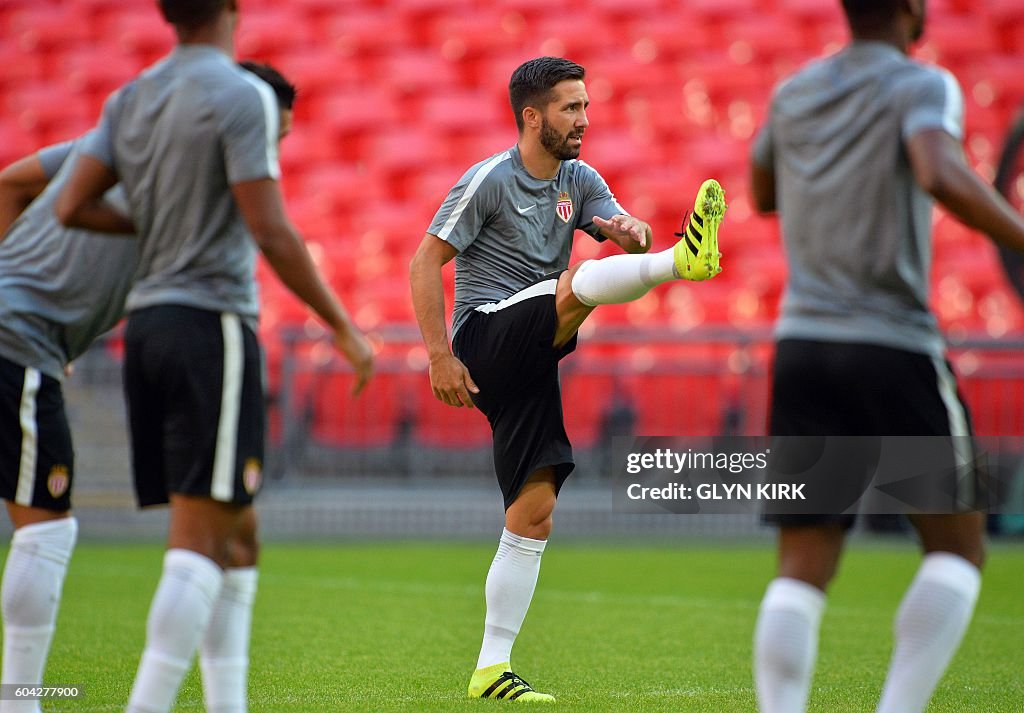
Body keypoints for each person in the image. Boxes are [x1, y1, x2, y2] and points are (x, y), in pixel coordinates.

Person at [55, 2, 374, 709]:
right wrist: (344, 328)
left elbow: (71, 204)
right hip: (212, 326)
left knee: (239, 533)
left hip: (147, 327)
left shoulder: (131, 95)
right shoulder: (242, 94)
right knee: (199, 538)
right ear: (232, 10)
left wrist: (157, 221)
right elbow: (272, 228)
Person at [409, 55, 725, 702]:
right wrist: (440, 355)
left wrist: (634, 235)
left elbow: (621, 234)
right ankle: (683, 260)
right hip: (485, 336)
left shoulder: (580, 179)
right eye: (570, 107)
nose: (584, 118)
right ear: (532, 116)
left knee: (535, 511)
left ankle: (490, 668)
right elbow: (424, 260)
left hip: (534, 350)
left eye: (585, 105)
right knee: (575, 287)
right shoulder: (489, 179)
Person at [749, 2, 1024, 712]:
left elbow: (761, 190)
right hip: (891, 342)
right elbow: (937, 170)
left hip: (802, 346)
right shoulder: (921, 84)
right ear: (910, 10)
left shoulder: (794, 91)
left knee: (802, 567)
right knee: (959, 548)